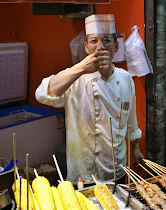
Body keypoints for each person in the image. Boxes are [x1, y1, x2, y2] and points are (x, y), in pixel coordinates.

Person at [35, 14, 144, 186]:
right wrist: (81, 68)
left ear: (116, 46)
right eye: (94, 41)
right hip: (83, 173)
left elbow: (130, 117)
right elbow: (41, 94)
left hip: (117, 170)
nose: (100, 47)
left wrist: (136, 148)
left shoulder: (125, 78)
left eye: (107, 40)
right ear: (86, 47)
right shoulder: (75, 79)